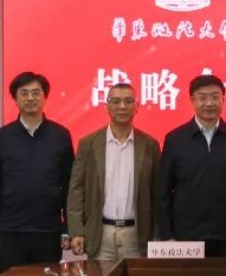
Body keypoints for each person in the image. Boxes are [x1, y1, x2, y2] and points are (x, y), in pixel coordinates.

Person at [0, 72, 75, 271]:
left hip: (49, 231)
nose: (30, 98)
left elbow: (70, 186)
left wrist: (68, 228)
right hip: (11, 232)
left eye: (36, 92)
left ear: (45, 97)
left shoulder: (61, 135)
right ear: (15, 99)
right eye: (24, 93)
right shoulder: (2, 137)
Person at [157, 74, 226, 257]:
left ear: (223, 100)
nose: (209, 103)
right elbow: (163, 192)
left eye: (215, 97)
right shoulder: (175, 139)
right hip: (185, 236)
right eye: (202, 98)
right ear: (192, 100)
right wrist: (167, 235)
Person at [67, 83, 161, 261]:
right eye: (116, 101)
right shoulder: (89, 143)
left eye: (128, 101)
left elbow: (156, 193)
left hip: (137, 236)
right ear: (106, 106)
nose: (122, 106)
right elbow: (77, 190)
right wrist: (77, 231)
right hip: (101, 234)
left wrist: (157, 235)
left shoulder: (150, 145)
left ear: (137, 106)